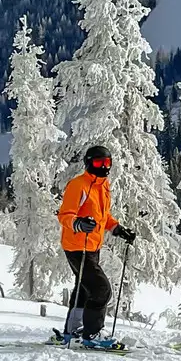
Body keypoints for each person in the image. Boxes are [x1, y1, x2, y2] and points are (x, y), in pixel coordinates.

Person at [56, 144, 134, 341]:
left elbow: (103, 216)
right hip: (77, 246)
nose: (104, 166)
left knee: (84, 288)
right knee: (101, 290)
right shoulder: (78, 185)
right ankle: (92, 333)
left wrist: (117, 229)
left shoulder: (103, 186)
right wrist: (78, 224)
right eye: (99, 162)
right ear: (89, 162)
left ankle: (72, 330)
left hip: (92, 246)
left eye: (107, 162)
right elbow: (65, 215)